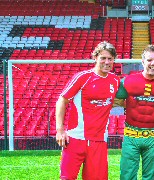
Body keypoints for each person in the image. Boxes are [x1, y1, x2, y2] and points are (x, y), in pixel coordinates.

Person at [55, 41, 120, 180]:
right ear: (95, 58)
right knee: (67, 178)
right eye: (103, 58)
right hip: (75, 139)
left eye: (110, 58)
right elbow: (62, 100)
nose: (107, 62)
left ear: (114, 60)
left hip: (99, 142)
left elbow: (119, 101)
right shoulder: (83, 77)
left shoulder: (115, 81)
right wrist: (60, 130)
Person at [116, 44, 154, 180]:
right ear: (143, 62)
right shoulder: (128, 81)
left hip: (153, 136)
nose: (153, 63)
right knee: (127, 176)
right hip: (131, 136)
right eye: (149, 60)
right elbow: (113, 101)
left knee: (150, 176)